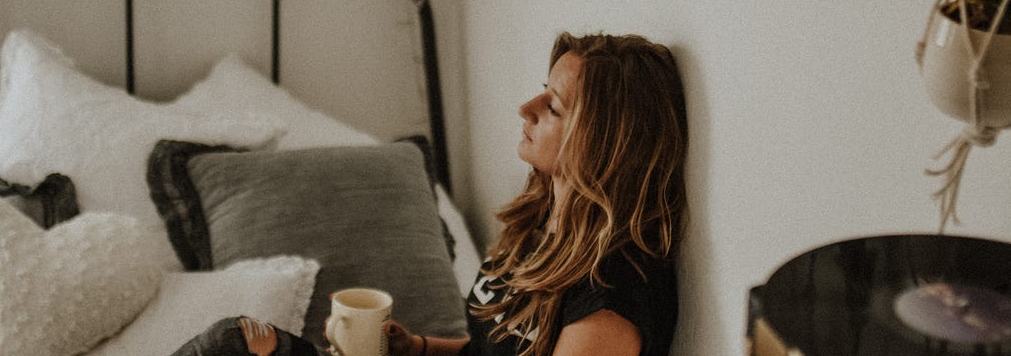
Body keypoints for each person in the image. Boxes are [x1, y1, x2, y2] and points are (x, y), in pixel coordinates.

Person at [173, 32, 688, 356]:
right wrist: (415, 348)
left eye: (552, 107)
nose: (526, 108)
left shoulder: (612, 300)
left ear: (604, 139)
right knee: (235, 341)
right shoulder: (540, 226)